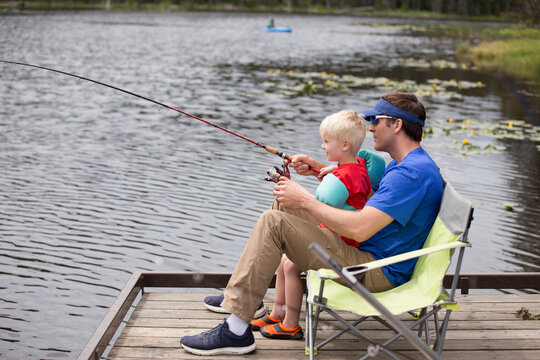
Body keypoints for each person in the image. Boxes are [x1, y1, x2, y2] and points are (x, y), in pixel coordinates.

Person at [180, 92, 444, 356]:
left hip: (374, 268)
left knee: (275, 222)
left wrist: (306, 200)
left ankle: (236, 330)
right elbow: (368, 202)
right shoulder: (409, 165)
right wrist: (322, 171)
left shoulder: (410, 174)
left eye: (376, 119)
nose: (371, 126)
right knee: (284, 205)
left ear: (396, 125)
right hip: (367, 252)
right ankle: (249, 301)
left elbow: (360, 227)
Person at [252, 110, 371, 340]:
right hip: (341, 235)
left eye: (327, 141)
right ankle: (277, 312)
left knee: (289, 265)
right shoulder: (356, 167)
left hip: (341, 240)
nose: (323, 146)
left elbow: (318, 204)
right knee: (285, 256)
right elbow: (348, 176)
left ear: (345, 145)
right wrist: (325, 170)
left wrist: (295, 190)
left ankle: (290, 324)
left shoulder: (341, 179)